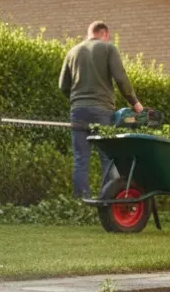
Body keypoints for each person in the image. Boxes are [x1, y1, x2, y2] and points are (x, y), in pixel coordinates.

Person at [59, 21, 143, 198]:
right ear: (105, 33)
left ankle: (80, 201)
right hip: (102, 109)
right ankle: (107, 200)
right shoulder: (108, 48)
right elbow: (120, 78)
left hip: (78, 110)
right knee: (107, 157)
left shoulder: (72, 52)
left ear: (89, 33)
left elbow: (63, 86)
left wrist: (78, 100)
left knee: (81, 158)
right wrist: (135, 103)